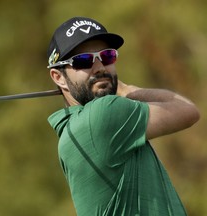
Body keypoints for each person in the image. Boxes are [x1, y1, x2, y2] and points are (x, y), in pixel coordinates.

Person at [46, 16, 200, 216]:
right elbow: (187, 110)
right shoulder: (104, 114)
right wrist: (126, 89)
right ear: (58, 77)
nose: (100, 67)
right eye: (83, 60)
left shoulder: (71, 132)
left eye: (107, 56)